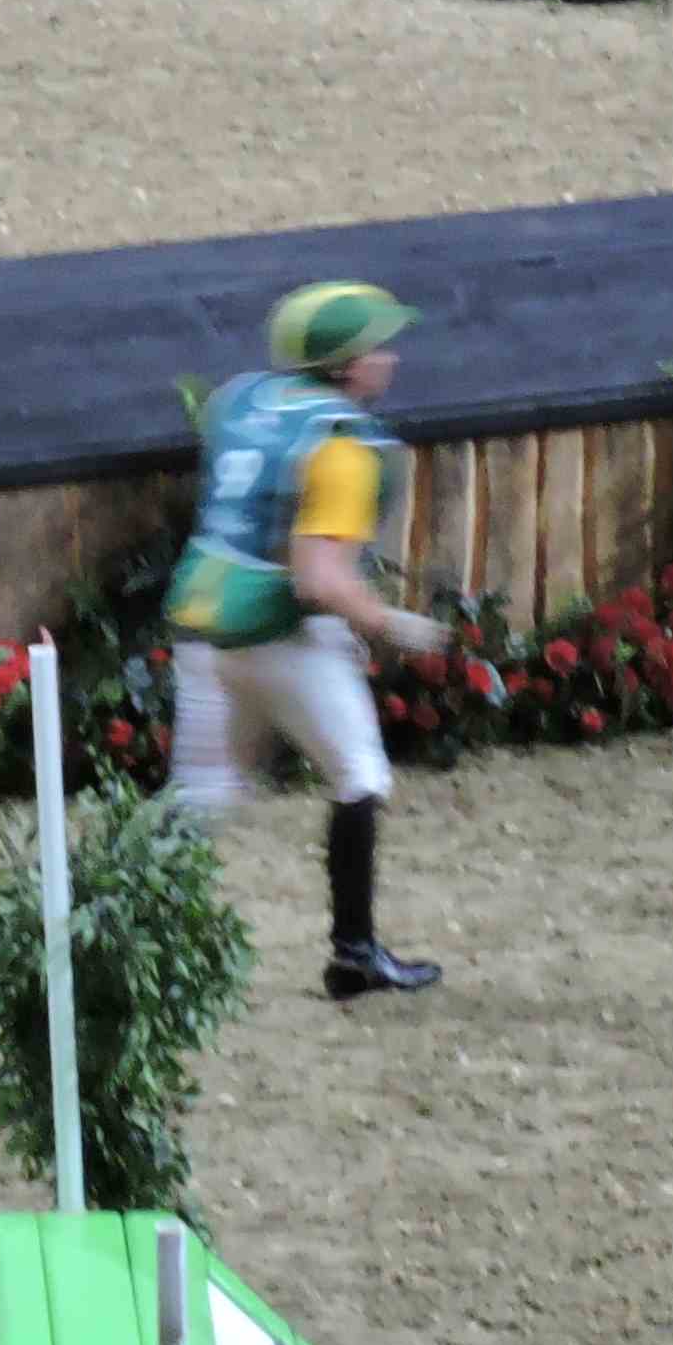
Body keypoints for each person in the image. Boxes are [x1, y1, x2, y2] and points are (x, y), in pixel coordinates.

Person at [163, 280, 455, 1003]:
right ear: (349, 363)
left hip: (203, 613)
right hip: (275, 629)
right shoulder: (346, 448)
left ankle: (97, 925)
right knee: (360, 775)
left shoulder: (240, 399)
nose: (389, 359)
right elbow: (318, 576)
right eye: (378, 347)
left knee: (201, 794)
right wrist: (390, 624)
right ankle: (354, 954)